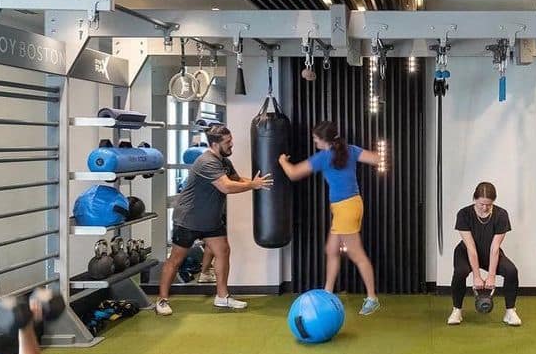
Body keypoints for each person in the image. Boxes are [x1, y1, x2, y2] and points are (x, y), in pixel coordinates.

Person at [156, 124, 272, 316]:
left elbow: (235, 178)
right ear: (215, 144)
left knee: (223, 251)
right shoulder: (207, 161)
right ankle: (161, 300)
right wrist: (253, 185)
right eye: (228, 142)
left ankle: (222, 297)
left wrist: (258, 182)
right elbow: (226, 187)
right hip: (189, 219)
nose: (232, 144)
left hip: (210, 219)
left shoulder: (223, 161)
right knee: (175, 259)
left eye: (231, 140)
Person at [278, 121, 382, 316]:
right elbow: (377, 159)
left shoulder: (323, 157)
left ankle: (372, 298)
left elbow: (293, 173)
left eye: (316, 138)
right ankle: (328, 292)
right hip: (351, 205)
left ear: (324, 140)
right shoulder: (349, 149)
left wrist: (282, 161)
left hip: (345, 209)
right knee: (331, 249)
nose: (314, 141)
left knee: (357, 255)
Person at [447, 182, 522, 326]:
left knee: (511, 271)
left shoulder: (501, 215)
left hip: (490, 252)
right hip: (466, 252)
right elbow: (471, 248)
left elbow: (495, 248)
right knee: (460, 272)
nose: (485, 208)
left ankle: (510, 311)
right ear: (474, 199)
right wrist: (476, 276)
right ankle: (457, 310)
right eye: (482, 204)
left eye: (489, 204)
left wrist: (491, 276)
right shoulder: (463, 214)